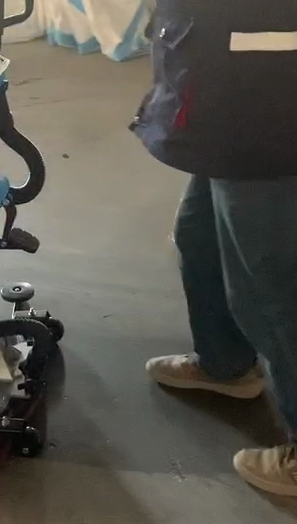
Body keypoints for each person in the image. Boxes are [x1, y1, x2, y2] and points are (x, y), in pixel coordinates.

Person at [132, 0, 297, 497]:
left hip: (264, 104)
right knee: (197, 236)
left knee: (269, 289)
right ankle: (225, 363)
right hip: (222, 88)